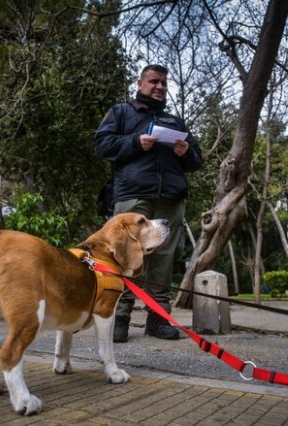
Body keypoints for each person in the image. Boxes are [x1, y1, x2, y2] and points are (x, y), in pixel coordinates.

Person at [94, 64, 202, 342]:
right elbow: (102, 145)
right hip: (133, 196)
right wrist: (134, 142)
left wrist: (186, 151)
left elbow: (196, 162)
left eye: (164, 83)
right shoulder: (121, 112)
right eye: (154, 81)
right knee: (126, 257)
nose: (160, 87)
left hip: (170, 199)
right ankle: (120, 318)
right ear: (140, 83)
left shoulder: (175, 122)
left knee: (164, 260)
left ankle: (158, 318)